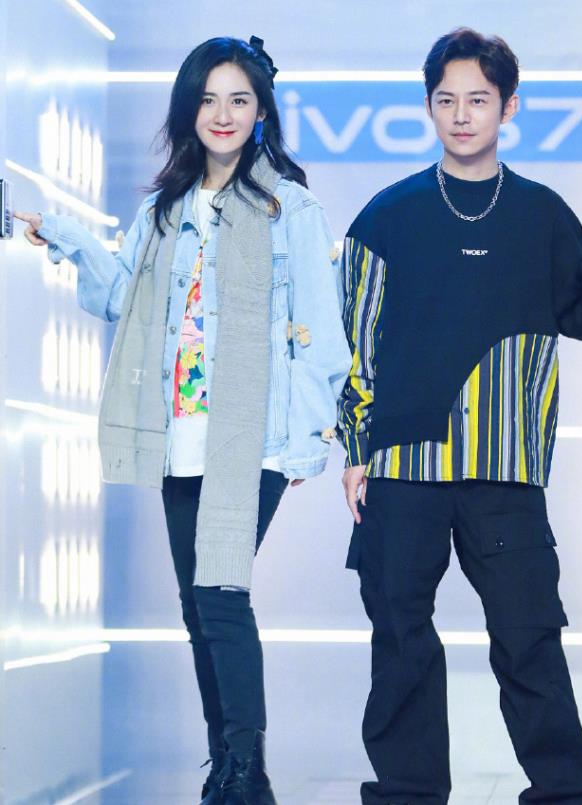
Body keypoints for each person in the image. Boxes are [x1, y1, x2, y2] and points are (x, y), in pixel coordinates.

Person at [338, 26, 582, 805]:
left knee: (530, 640)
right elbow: (354, 343)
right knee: (400, 645)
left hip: (505, 467)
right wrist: (356, 449)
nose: (462, 116)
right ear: (429, 106)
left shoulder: (542, 215)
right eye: (447, 100)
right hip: (401, 470)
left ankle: (566, 796)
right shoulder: (384, 217)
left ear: (509, 106)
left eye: (479, 100)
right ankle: (407, 795)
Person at [16, 35, 350, 805]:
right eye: (208, 99)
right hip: (181, 434)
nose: (222, 114)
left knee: (221, 594)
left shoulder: (291, 209)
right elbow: (119, 295)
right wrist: (64, 235)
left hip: (251, 436)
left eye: (239, 99)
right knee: (200, 607)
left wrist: (304, 442)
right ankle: (227, 765)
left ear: (261, 111)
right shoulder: (163, 210)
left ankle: (246, 772)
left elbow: (321, 335)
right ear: (187, 109)